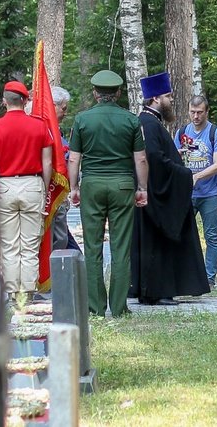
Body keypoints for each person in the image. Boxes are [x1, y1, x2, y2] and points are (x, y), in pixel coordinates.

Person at [68, 70, 148, 317]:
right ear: (118, 93)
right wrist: (142, 188)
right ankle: (119, 307)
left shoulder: (82, 120)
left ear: (95, 93)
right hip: (122, 185)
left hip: (91, 184)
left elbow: (73, 159)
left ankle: (95, 307)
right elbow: (141, 158)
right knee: (120, 247)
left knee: (92, 247)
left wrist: (74, 188)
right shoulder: (132, 120)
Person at [130, 72, 211, 305]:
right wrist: (185, 174)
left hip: (153, 191)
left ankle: (151, 290)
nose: (171, 100)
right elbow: (154, 159)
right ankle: (157, 290)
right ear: (155, 98)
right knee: (158, 241)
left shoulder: (149, 122)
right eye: (167, 95)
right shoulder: (149, 123)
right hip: (156, 193)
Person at [0, 81, 53, 302]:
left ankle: (13, 294)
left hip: (4, 185)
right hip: (32, 184)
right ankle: (28, 293)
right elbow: (47, 163)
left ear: (4, 101)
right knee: (30, 244)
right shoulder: (39, 126)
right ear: (25, 100)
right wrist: (44, 186)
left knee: (10, 244)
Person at [174, 95, 217, 286]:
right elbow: (173, 160)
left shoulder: (216, 133)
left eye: (200, 112)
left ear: (206, 112)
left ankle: (209, 278)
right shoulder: (181, 132)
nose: (196, 116)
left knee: (211, 236)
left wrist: (197, 176)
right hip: (186, 194)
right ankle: (183, 274)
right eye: (192, 112)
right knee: (180, 233)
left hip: (209, 194)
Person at [49, 86, 81, 252]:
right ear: (52, 106)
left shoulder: (57, 131)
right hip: (52, 194)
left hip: (59, 193)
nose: (65, 113)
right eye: (63, 109)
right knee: (59, 241)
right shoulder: (47, 130)